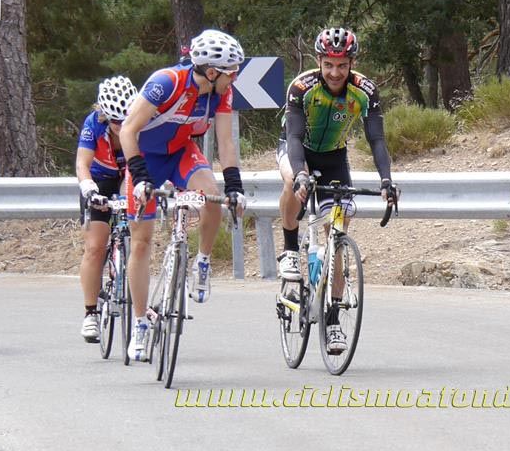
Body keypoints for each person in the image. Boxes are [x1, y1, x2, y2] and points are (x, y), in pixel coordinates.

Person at [119, 29, 247, 362]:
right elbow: (127, 130)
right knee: (142, 241)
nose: (235, 77)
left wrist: (235, 185)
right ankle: (140, 322)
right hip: (145, 159)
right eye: (232, 71)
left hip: (180, 153)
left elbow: (226, 142)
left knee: (212, 196)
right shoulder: (166, 82)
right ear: (212, 71)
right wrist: (141, 178)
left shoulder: (220, 94)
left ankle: (201, 262)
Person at [276, 27, 399, 354]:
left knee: (338, 238)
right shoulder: (302, 87)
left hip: (334, 157)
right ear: (319, 61)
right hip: (296, 150)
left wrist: (386, 179)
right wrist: (301, 175)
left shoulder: (365, 91)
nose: (334, 72)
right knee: (293, 182)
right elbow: (292, 139)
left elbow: (377, 140)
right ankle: (290, 250)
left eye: (341, 65)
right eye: (328, 65)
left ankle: (332, 320)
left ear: (351, 63)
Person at [75, 75, 137, 343]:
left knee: (140, 239)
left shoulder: (140, 122)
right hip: (99, 180)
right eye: (115, 122)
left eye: (125, 121)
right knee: (95, 246)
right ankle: (90, 313)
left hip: (129, 176)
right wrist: (88, 188)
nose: (121, 126)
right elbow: (82, 163)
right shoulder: (93, 124)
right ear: (103, 115)